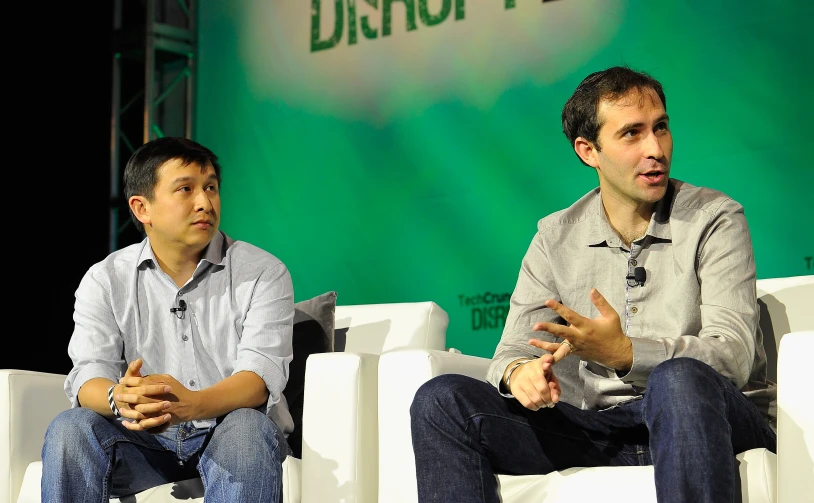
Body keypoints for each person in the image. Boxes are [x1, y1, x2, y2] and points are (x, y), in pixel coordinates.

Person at [410, 66, 776, 503]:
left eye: (660, 128)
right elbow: (511, 350)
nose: (655, 149)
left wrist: (624, 353)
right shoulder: (554, 237)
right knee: (441, 401)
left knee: (677, 381)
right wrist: (519, 373)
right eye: (632, 134)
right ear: (589, 150)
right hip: (601, 431)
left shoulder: (714, 218)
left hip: (711, 416)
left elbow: (732, 356)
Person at [41, 137, 295, 502]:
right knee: (70, 428)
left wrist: (192, 404)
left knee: (247, 429)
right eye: (186, 189)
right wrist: (120, 396)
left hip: (229, 436)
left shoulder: (262, 273)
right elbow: (87, 377)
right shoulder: (105, 278)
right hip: (141, 444)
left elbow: (259, 377)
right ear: (142, 208)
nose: (204, 202)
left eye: (211, 188)